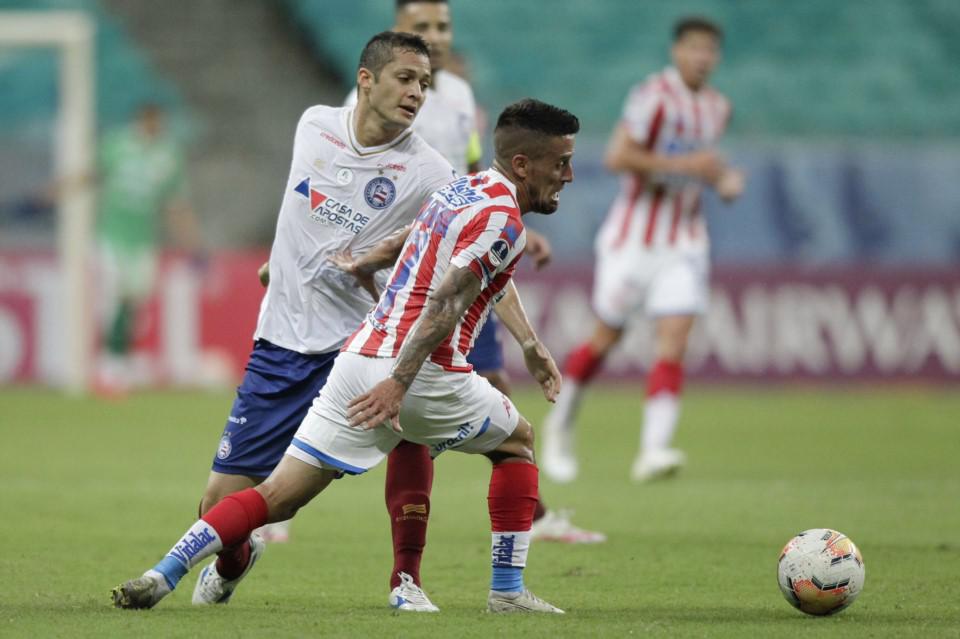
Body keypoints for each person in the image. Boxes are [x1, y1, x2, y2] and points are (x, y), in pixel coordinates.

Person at [111, 97, 579, 614]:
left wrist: (368, 263)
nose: (569, 175)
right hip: (423, 370)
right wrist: (399, 382)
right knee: (517, 442)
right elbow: (446, 301)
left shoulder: (459, 191)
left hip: (357, 358)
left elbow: (419, 242)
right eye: (560, 163)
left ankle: (162, 573)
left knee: (277, 495)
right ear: (522, 164)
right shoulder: (504, 221)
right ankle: (505, 592)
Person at [169, 31, 456, 608]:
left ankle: (407, 580)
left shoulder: (430, 172)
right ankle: (236, 559)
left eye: (424, 84)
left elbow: (446, 248)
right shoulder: (314, 126)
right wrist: (276, 265)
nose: (416, 93)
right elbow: (302, 212)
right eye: (405, 78)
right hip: (281, 344)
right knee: (218, 504)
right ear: (366, 80)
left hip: (360, 345)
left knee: (410, 437)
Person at [336, 0, 606, 612]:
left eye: (442, 28)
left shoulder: (458, 98)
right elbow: (367, 186)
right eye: (421, 28)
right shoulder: (370, 102)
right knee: (415, 412)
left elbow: (478, 181)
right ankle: (462, 567)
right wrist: (372, 253)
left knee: (456, 407)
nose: (434, 37)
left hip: (472, 257)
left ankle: (460, 555)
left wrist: (509, 228)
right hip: (419, 274)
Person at [542, 16, 745, 483]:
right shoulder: (653, 96)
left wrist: (724, 181)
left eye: (710, 50)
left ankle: (653, 450)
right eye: (694, 48)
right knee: (605, 338)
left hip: (685, 240)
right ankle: (560, 424)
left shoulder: (718, 107)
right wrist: (689, 165)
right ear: (677, 51)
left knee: (674, 340)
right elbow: (617, 156)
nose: (702, 57)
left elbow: (706, 169)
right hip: (633, 240)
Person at [94, 103, 200, 393]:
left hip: (143, 241)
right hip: (111, 236)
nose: (155, 126)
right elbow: (92, 174)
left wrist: (192, 242)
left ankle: (120, 363)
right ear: (140, 120)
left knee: (135, 304)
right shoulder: (116, 145)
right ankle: (108, 366)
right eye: (151, 121)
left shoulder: (168, 156)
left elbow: (176, 204)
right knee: (114, 296)